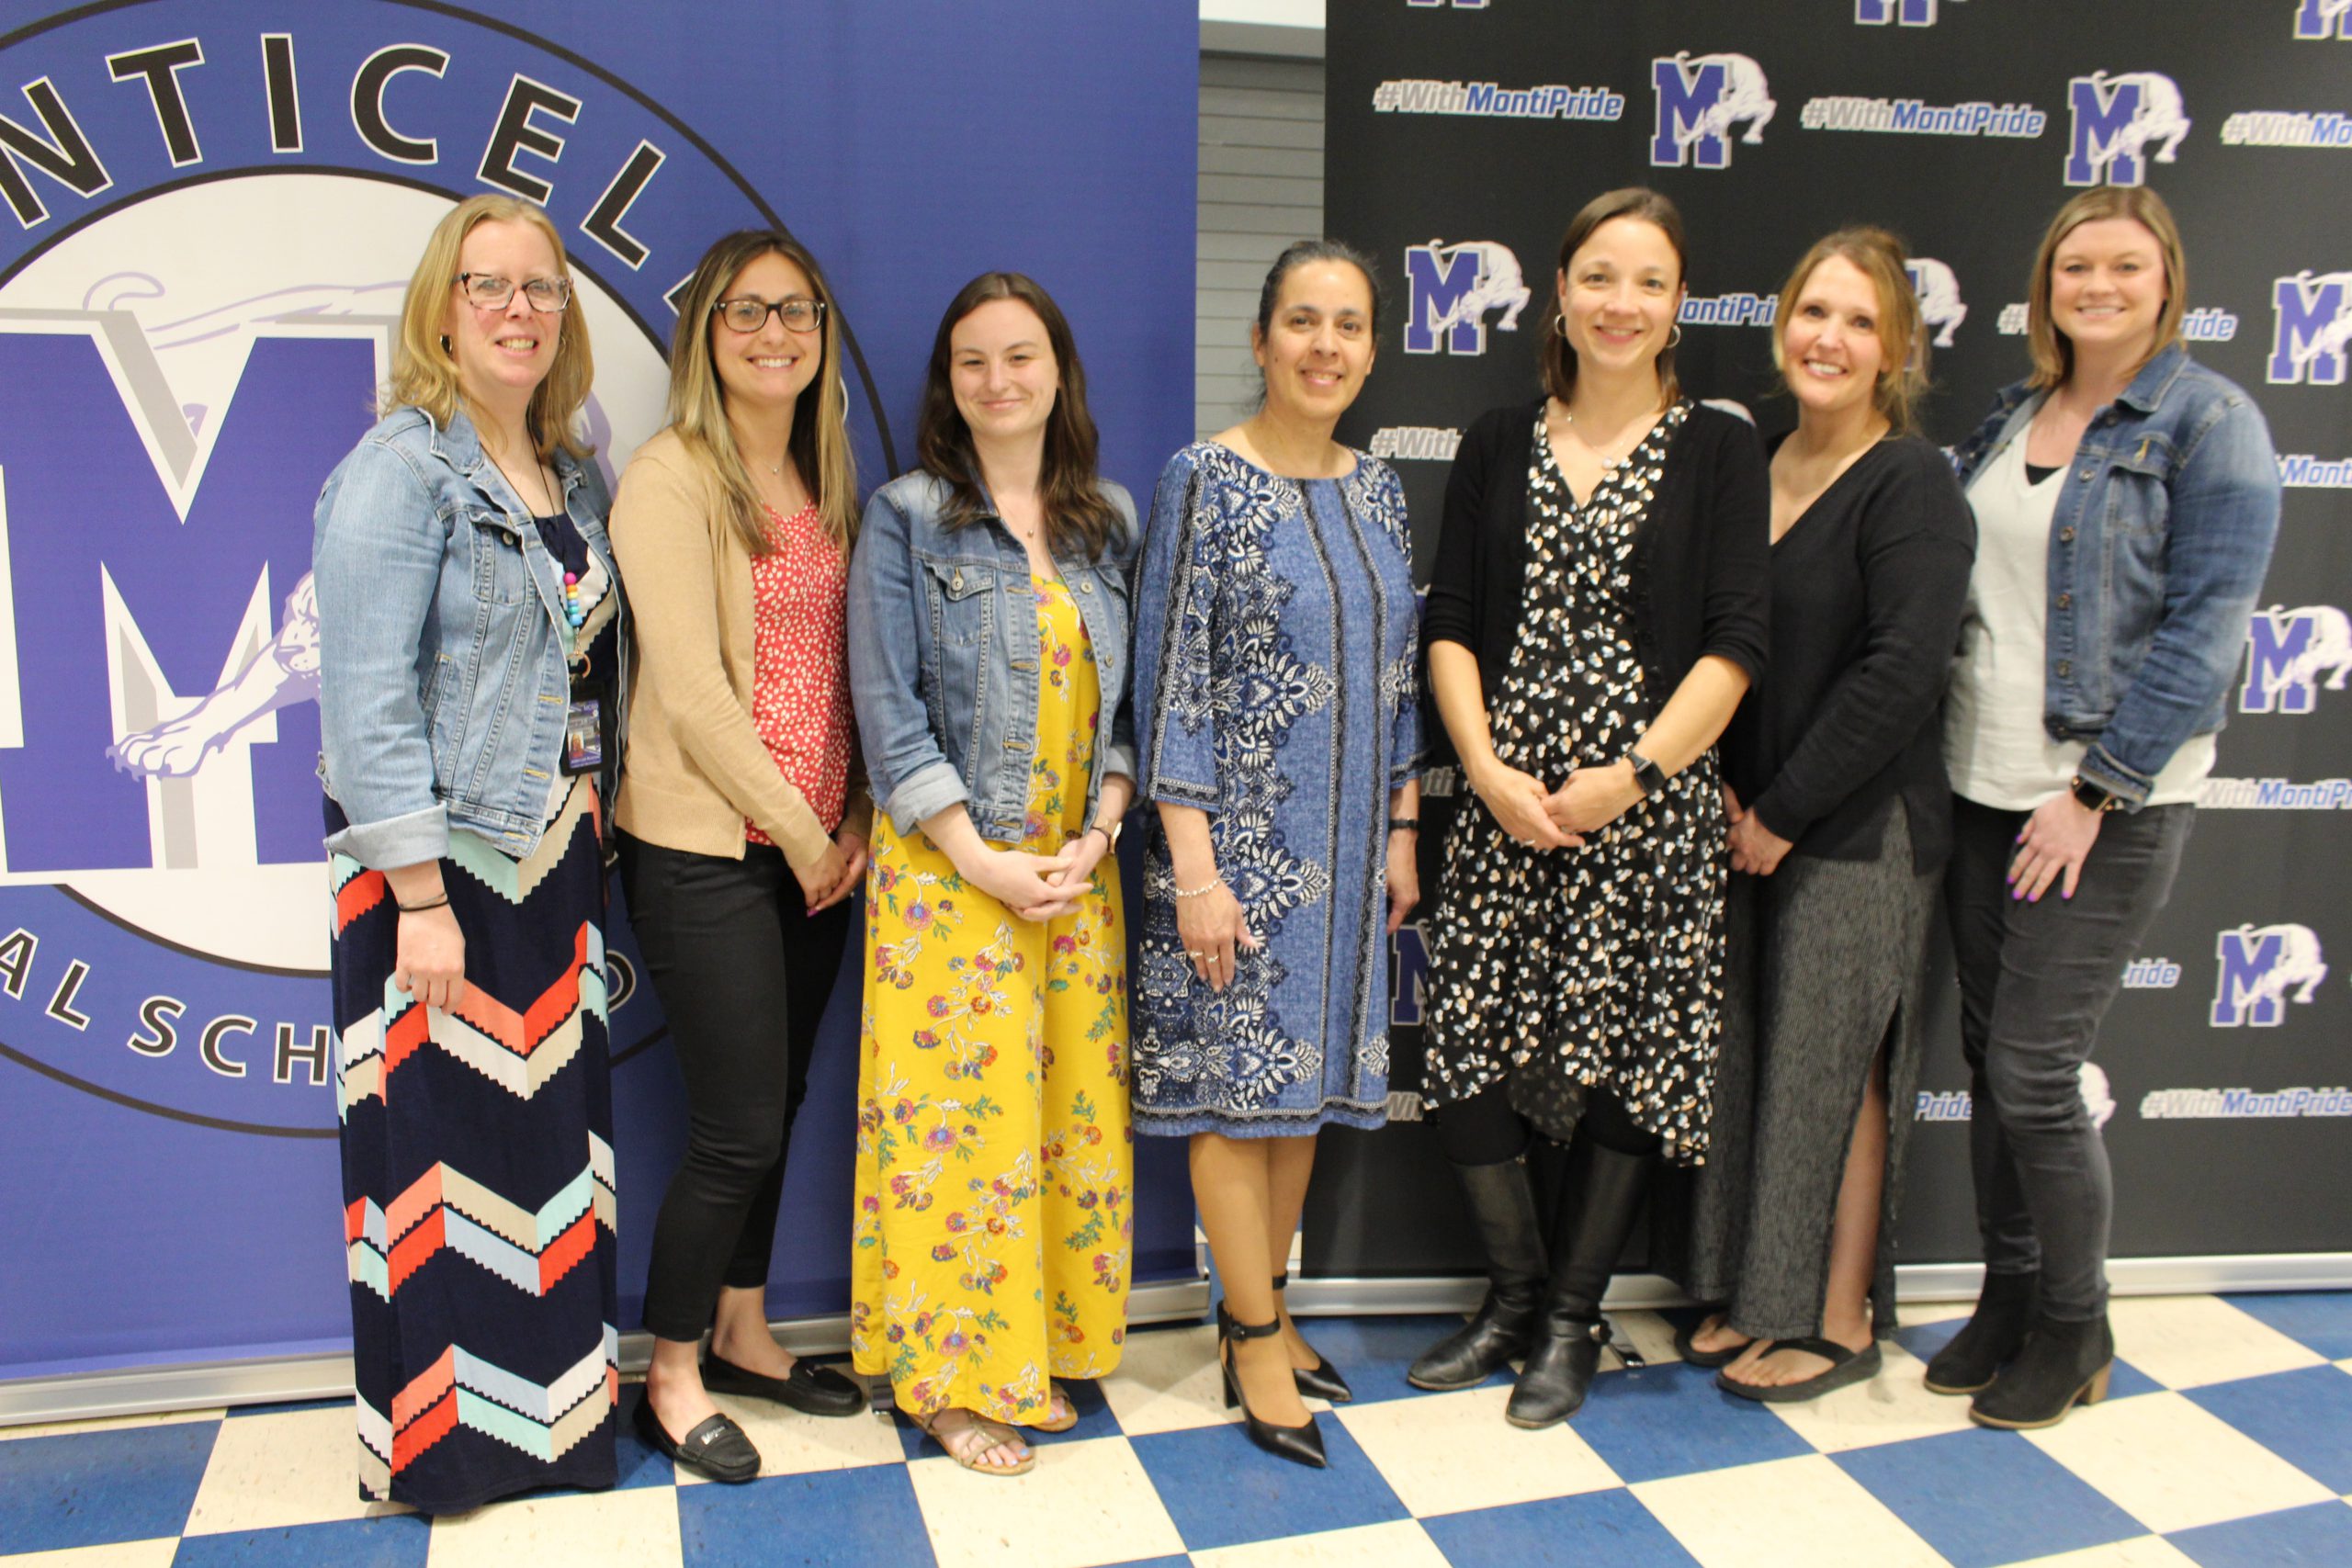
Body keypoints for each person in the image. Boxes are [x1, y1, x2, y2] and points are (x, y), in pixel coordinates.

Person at [1407, 187, 1768, 1428]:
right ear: (1559, 293)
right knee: (1463, 1044)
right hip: (1506, 802)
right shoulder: (1498, 438)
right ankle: (1511, 1295)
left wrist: (1634, 775)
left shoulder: (1719, 447)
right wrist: (1489, 772)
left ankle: (1570, 1315)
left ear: (1677, 307)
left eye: (1648, 281)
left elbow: (1734, 645)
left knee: (1624, 1054)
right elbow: (1448, 619)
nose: (1621, 302)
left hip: (1646, 807)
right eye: (1598, 276)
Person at [1932, 186, 2279, 1429]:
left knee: (2035, 1071)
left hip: (2102, 801)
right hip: (1978, 782)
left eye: (2125, 267)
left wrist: (2095, 789)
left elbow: (2205, 636)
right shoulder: (2015, 413)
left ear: (2167, 280)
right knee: (1986, 1059)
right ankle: (2010, 1291)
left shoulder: (2212, 422)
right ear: (2047, 286)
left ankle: (2078, 1324)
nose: (2098, 286)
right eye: (2077, 265)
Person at [315, 194, 624, 1511]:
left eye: (541, 289)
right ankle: (447, 1452)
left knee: (552, 1157)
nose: (518, 311)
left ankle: (554, 1429)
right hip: (437, 873)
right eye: (489, 287)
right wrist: (421, 895)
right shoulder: (400, 468)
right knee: (437, 1168)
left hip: (555, 858)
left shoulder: (573, 467)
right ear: (442, 308)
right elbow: (366, 700)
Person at [1654, 229, 1974, 1403]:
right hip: (1746, 820)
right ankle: (1757, 1292)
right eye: (1810, 313)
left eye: (1854, 320)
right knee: (1756, 1066)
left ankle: (1837, 1320)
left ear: (1893, 347)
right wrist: (1727, 786)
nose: (1826, 339)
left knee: (1836, 1071)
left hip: (1857, 829)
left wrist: (1782, 809)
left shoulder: (1912, 483)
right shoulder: (1754, 459)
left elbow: (1900, 672)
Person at [1130, 239, 1422, 1470]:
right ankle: (1249, 1334)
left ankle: (1275, 1304)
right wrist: (1194, 867)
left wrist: (1404, 825)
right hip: (1235, 852)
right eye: (1302, 321)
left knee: (1298, 1099)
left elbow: (1400, 675)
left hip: (1350, 852)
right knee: (1232, 1095)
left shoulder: (1383, 486)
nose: (1325, 346)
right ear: (1260, 342)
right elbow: (1170, 678)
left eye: (1349, 325)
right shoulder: (1206, 477)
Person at [846, 273, 1137, 1475]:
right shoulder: (908, 514)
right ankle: (951, 1379)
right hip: (947, 876)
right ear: (948, 382)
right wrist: (979, 857)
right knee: (958, 1134)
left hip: (1075, 880)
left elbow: (1127, 712)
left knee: (1064, 1120)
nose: (999, 379)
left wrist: (1104, 828)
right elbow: (886, 706)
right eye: (974, 360)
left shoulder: (1105, 520)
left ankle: (1048, 1342)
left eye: (1022, 355)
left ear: (1058, 369)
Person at [606, 231, 870, 1483]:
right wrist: (817, 832)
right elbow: (699, 698)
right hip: (709, 851)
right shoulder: (670, 476)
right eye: (748, 312)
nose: (777, 335)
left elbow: (851, 669)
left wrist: (855, 814)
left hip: (817, 854)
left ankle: (747, 1326)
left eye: (798, 312)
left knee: (781, 1110)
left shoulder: (825, 471)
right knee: (732, 1130)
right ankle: (668, 1373)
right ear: (705, 332)